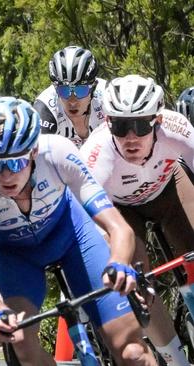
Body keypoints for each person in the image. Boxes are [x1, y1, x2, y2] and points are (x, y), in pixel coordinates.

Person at [0, 96, 156, 365]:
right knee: (21, 342)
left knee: (133, 352)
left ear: (33, 152)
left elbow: (118, 228)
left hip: (72, 236)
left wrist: (119, 262)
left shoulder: (58, 153)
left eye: (14, 163)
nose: (5, 176)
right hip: (12, 256)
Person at [80, 75, 194, 366]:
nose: (130, 137)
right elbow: (91, 222)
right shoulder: (96, 155)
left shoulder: (177, 128)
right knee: (140, 284)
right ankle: (175, 360)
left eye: (141, 125)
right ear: (107, 123)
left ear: (157, 120)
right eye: (120, 126)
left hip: (168, 188)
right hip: (121, 210)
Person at [34, 46, 106, 148]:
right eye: (64, 91)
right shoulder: (45, 108)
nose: (72, 101)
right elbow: (35, 157)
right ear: (56, 90)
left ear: (93, 88)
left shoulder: (107, 97)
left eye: (80, 91)